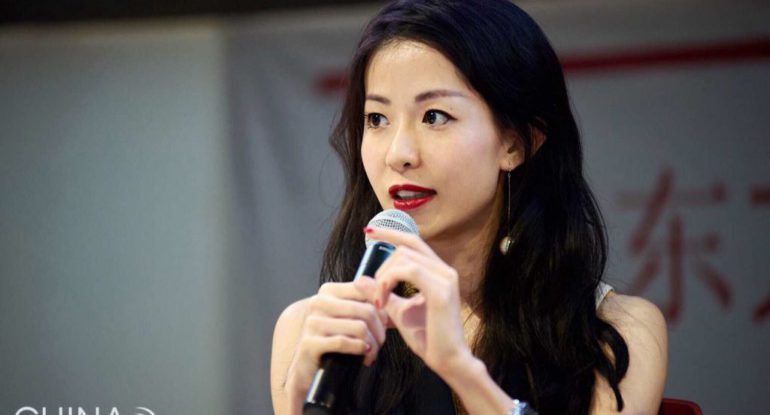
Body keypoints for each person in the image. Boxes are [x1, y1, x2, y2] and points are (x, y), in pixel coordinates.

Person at [271, 0, 668, 414]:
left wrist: (459, 368)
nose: (398, 154)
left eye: (434, 116)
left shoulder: (615, 331)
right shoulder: (310, 331)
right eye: (377, 119)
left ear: (515, 143)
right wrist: (299, 401)